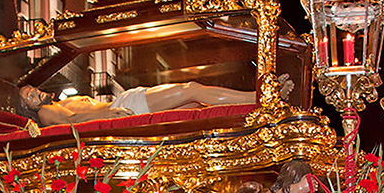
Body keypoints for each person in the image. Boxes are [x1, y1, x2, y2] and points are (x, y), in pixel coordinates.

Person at [18, 75, 294, 127]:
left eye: (32, 89)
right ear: (29, 107)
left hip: (125, 102)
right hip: (125, 110)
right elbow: (74, 121)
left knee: (196, 103)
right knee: (192, 90)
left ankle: (258, 100)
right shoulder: (46, 114)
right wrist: (107, 119)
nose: (35, 94)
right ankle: (261, 97)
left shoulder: (64, 99)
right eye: (29, 97)